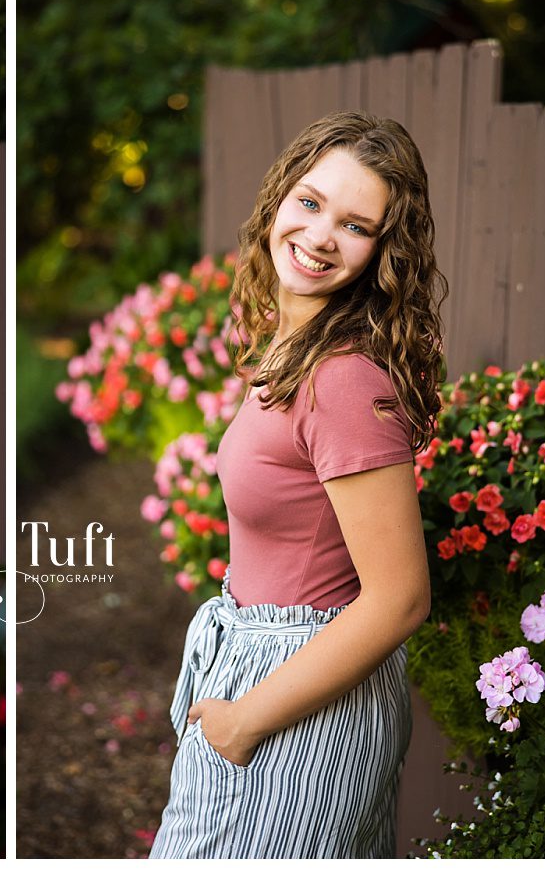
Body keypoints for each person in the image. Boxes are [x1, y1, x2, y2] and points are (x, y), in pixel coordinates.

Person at [150, 112, 446, 858]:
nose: (319, 236)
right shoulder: (299, 349)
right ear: (280, 197)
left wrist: (247, 718)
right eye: (311, 203)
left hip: (295, 697)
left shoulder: (341, 379)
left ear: (383, 251)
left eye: (354, 224)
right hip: (270, 673)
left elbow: (400, 596)